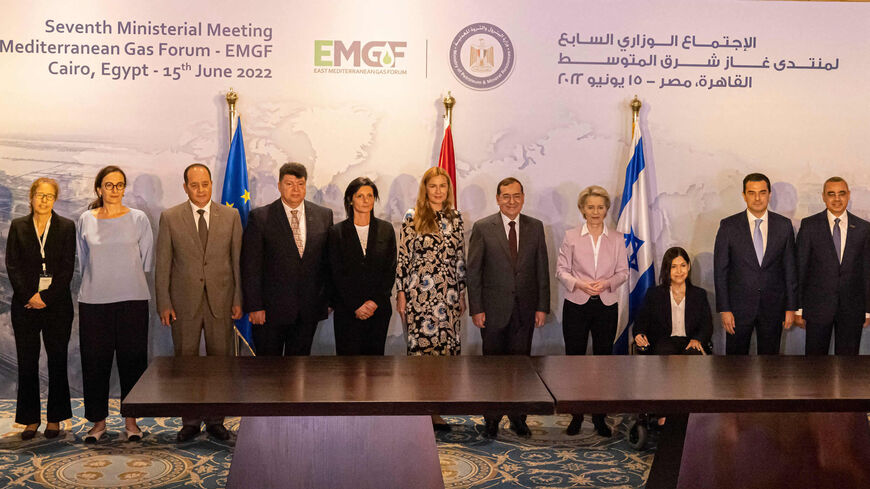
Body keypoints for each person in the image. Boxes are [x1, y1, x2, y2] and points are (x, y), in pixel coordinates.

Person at [155, 164, 243, 442]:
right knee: (186, 364)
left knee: (221, 364)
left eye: (205, 184)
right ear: (185, 187)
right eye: (194, 185)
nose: (201, 189)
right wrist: (164, 303)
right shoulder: (170, 217)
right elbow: (163, 265)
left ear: (211, 184)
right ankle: (190, 421)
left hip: (222, 302)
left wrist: (239, 298)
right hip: (183, 304)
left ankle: (216, 421)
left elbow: (237, 262)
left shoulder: (230, 216)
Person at [466, 177, 549, 438]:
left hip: (525, 311)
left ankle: (518, 417)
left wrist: (542, 307)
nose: (511, 201)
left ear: (523, 197)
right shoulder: (483, 227)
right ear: (498, 199)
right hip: (492, 312)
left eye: (516, 196)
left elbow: (541, 270)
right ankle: (491, 419)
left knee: (522, 369)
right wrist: (476, 308)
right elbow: (474, 272)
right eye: (506, 196)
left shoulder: (535, 227)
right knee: (492, 369)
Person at [77, 165, 153, 442]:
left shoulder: (139, 219)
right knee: (95, 363)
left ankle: (131, 422)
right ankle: (98, 423)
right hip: (95, 301)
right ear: (99, 189)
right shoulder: (86, 219)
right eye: (109, 185)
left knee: (132, 362)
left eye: (119, 185)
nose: (114, 190)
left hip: (132, 300)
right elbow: (83, 260)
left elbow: (146, 259)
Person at [396, 166, 466, 430]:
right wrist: (401, 293)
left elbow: (460, 258)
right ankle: (421, 409)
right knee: (422, 355)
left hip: (448, 297)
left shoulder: (456, 217)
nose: (438, 191)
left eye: (443, 186)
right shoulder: (412, 216)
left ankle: (438, 408)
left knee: (445, 356)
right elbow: (403, 258)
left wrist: (461, 292)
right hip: (420, 297)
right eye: (433, 186)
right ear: (425, 189)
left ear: (448, 189)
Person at [6, 178, 76, 440]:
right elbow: (12, 265)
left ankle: (55, 419)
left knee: (57, 361)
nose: (44, 200)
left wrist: (45, 297)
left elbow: (67, 269)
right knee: (27, 362)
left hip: (56, 305)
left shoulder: (66, 227)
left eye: (49, 196)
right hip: (25, 306)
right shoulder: (18, 226)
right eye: (39, 195)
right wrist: (30, 296)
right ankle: (30, 420)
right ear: (31, 197)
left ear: (55, 199)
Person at [556, 185, 627, 437]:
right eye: (590, 207)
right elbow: (561, 270)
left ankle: (599, 417)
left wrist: (606, 284)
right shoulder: (571, 236)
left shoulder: (618, 238)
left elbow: (623, 272)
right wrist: (581, 284)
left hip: (606, 304)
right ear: (582, 210)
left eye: (600, 207)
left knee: (603, 363)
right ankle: (576, 415)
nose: (595, 212)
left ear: (606, 210)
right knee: (575, 362)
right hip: (576, 303)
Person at [241, 162, 333, 356]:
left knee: (299, 374)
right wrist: (255, 306)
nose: (295, 189)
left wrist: (328, 299)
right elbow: (251, 266)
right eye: (290, 184)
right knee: (269, 373)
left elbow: (327, 263)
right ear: (279, 185)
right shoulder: (260, 218)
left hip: (308, 310)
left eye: (300, 184)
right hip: (270, 312)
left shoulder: (323, 215)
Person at [713, 173, 797, 355]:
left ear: (769, 194)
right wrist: (724, 309)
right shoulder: (729, 226)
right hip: (737, 309)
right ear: (744, 195)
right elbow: (721, 271)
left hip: (773, 307)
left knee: (770, 363)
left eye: (762, 192)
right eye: (752, 193)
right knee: (735, 367)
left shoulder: (784, 225)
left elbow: (790, 269)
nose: (757, 198)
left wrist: (790, 307)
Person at [795, 177, 870, 355]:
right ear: (823, 197)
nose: (837, 199)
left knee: (848, 365)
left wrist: (868, 310)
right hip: (817, 309)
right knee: (815, 364)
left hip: (852, 309)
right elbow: (800, 269)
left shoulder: (863, 228)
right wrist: (798, 308)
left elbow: (867, 272)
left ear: (848, 195)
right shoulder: (809, 226)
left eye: (841, 194)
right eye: (831, 194)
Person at [328, 177, 397, 355]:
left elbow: (390, 270)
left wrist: (374, 302)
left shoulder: (386, 229)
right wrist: (356, 305)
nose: (366, 200)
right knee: (348, 371)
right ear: (350, 199)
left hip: (378, 310)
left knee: (375, 370)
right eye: (360, 196)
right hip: (348, 311)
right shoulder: (337, 232)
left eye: (370, 196)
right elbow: (335, 273)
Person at [634, 247, 712, 355]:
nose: (679, 271)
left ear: (688, 266)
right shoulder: (654, 294)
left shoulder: (699, 294)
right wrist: (639, 334)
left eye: (683, 266)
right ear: (667, 269)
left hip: (690, 342)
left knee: (694, 353)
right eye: (673, 267)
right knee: (666, 351)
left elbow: (706, 326)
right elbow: (641, 322)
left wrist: (698, 339)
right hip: (663, 342)